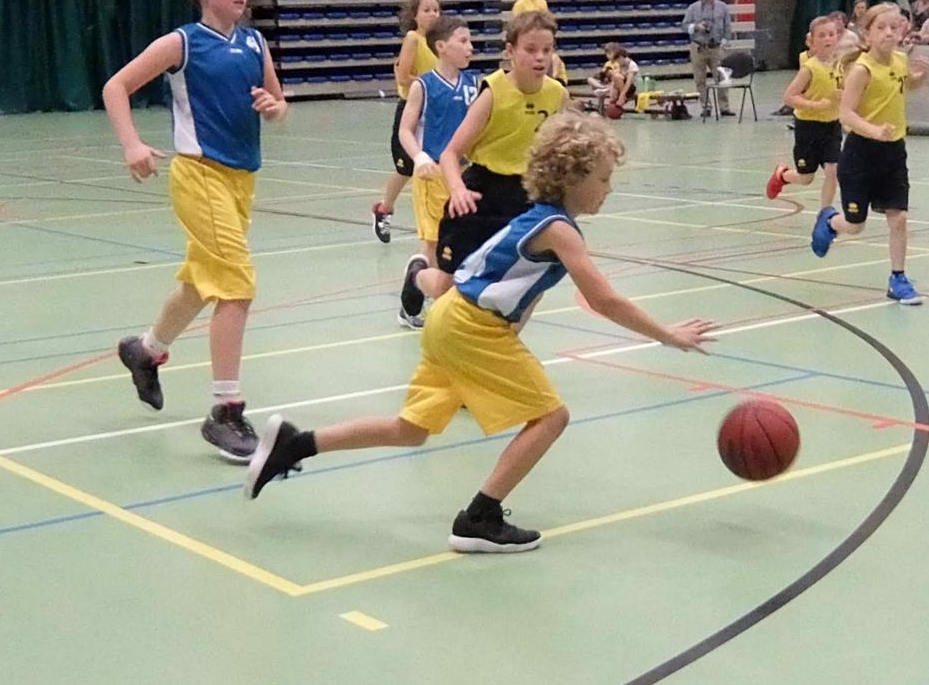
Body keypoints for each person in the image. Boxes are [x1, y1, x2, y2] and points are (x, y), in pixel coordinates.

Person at [243, 111, 716, 553]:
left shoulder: (538, 220)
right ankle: (479, 517)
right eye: (604, 179)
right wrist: (667, 334)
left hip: (450, 319)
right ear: (572, 178)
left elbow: (520, 293)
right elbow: (603, 300)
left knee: (410, 430)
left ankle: (296, 444)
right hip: (472, 328)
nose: (609, 189)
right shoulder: (560, 231)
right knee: (551, 418)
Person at [106, 0, 288, 463]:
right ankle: (225, 410)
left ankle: (146, 351)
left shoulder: (254, 42)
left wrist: (273, 107)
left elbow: (279, 104)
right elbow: (116, 86)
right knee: (236, 286)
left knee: (199, 284)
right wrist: (132, 145)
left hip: (241, 181)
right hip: (199, 176)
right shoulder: (182, 43)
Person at [411, 11, 568, 312]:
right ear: (510, 52)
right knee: (448, 288)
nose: (540, 57)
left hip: (526, 194)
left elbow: (558, 151)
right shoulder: (493, 92)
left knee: (528, 285)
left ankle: (507, 338)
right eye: (530, 49)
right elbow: (450, 154)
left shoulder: (557, 94)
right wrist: (457, 190)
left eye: (547, 50)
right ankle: (417, 276)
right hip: (481, 193)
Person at [810, 2, 929, 304]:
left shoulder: (900, 60)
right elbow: (846, 114)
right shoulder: (861, 70)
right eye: (881, 27)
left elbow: (903, 86)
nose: (889, 33)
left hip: (894, 152)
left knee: (899, 218)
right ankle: (829, 222)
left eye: (894, 27)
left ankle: (898, 278)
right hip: (861, 154)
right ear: (868, 34)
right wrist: (874, 130)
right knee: (855, 225)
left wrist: (922, 77)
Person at [395, 14, 480, 328]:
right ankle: (424, 304)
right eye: (463, 41)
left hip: (464, 176)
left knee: (464, 241)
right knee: (434, 243)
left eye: (470, 41)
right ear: (441, 46)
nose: (470, 47)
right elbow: (405, 129)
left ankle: (425, 286)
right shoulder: (424, 85)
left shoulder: (475, 85)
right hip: (432, 174)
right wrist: (419, 157)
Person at [370, 0, 441, 243]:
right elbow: (403, 77)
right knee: (406, 167)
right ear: (415, 15)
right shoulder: (413, 39)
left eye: (436, 10)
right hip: (412, 108)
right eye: (427, 10)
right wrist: (428, 84)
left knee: (439, 164)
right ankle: (384, 209)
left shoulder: (440, 43)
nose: (433, 14)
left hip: (434, 111)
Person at [765, 14, 844, 212]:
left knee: (833, 170)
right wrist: (815, 105)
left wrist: (845, 95)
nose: (827, 39)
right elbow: (789, 97)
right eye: (822, 35)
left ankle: (825, 213)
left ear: (838, 37)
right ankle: (782, 176)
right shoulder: (809, 68)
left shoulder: (841, 64)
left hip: (832, 125)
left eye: (831, 34)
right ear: (813, 40)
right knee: (806, 178)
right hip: (808, 127)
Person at [684, 0, 732, 118]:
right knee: (700, 80)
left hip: (716, 48)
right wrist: (696, 27)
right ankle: (706, 107)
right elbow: (684, 26)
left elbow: (728, 27)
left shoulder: (723, 7)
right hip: (698, 48)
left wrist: (724, 43)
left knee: (721, 78)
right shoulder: (692, 8)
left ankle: (724, 107)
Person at [590, 42, 638, 118]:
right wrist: (612, 92)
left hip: (630, 88)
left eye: (618, 60)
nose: (617, 63)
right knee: (613, 94)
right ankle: (612, 110)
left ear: (621, 57)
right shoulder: (621, 65)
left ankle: (622, 98)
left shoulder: (632, 65)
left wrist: (622, 95)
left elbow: (628, 82)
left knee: (616, 76)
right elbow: (614, 81)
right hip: (620, 85)